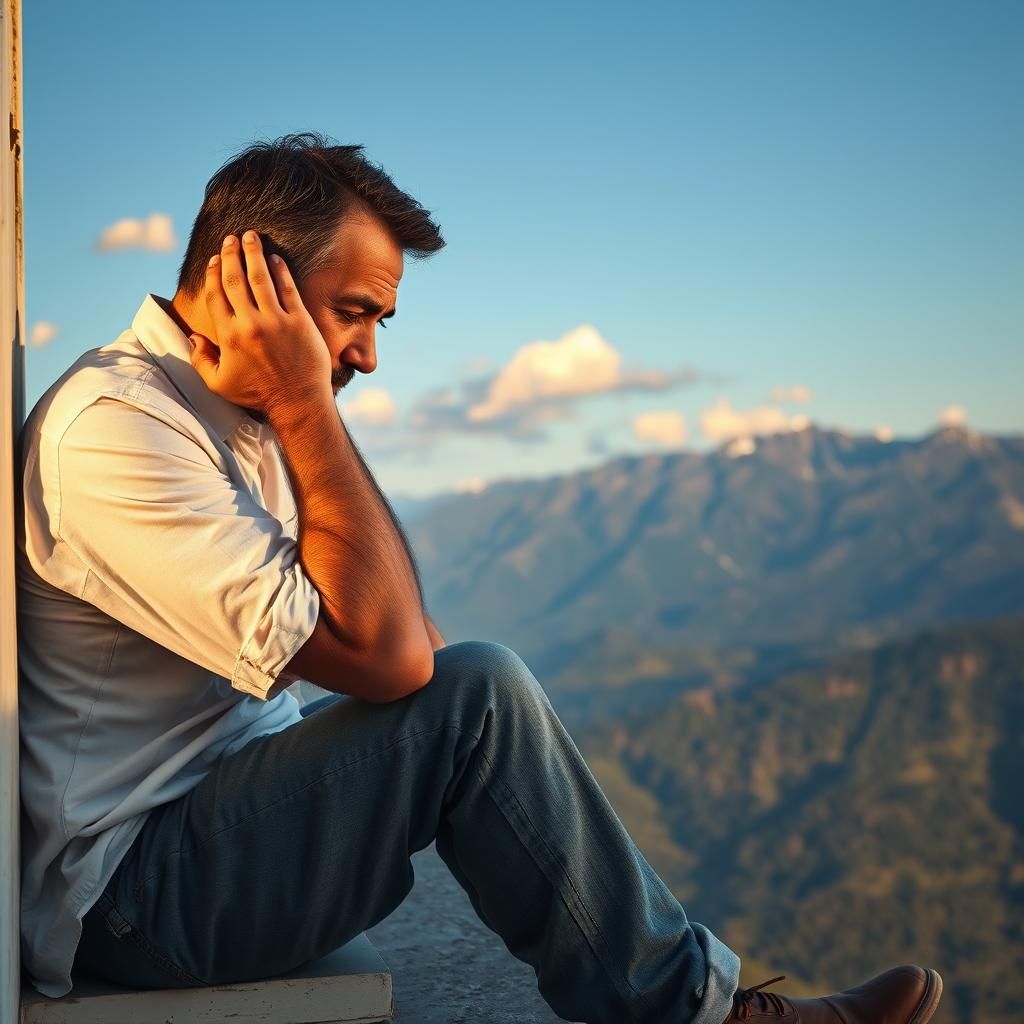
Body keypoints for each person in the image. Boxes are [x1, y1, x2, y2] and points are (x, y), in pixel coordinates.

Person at [16, 132, 943, 1024]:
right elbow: (392, 667)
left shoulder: (230, 420)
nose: (370, 355)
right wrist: (305, 403)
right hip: (137, 896)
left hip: (214, 821)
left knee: (467, 678)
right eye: (354, 312)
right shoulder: (118, 433)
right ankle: (686, 1014)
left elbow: (404, 638)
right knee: (479, 691)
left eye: (381, 321)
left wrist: (295, 415)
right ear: (254, 279)